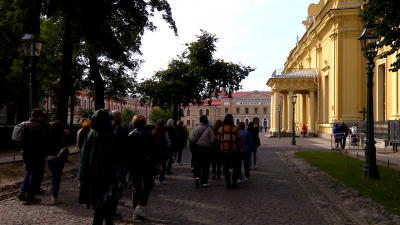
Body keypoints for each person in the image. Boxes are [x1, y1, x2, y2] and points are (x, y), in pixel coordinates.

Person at [79, 109, 124, 225]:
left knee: (99, 211)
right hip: (107, 178)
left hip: (93, 177)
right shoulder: (109, 135)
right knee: (108, 211)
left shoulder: (91, 133)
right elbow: (115, 159)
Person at [127, 114, 161, 220]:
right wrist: (158, 163)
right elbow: (153, 150)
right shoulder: (147, 134)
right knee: (148, 184)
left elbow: (127, 152)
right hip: (145, 164)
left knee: (136, 188)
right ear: (144, 122)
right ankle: (140, 207)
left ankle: (135, 212)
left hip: (133, 165)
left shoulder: (131, 134)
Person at [17, 108, 46, 204]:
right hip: (36, 153)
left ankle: (22, 190)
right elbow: (43, 142)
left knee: (28, 171)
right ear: (39, 116)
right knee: (34, 173)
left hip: (24, 151)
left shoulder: (24, 124)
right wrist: (45, 154)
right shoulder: (39, 126)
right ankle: (30, 196)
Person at [216, 114, 242, 189]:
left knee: (226, 167)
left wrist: (220, 148)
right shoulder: (235, 129)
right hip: (234, 151)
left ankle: (228, 183)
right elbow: (239, 141)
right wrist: (240, 151)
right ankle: (234, 182)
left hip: (224, 151)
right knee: (235, 167)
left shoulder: (221, 129)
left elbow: (217, 141)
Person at [111, 110, 129, 219]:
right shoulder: (122, 129)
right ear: (119, 118)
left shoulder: (107, 129)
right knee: (118, 181)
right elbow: (126, 146)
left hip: (110, 161)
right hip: (119, 160)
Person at [189, 115, 215, 187]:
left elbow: (192, 138)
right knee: (206, 165)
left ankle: (197, 176)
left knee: (197, 163)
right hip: (207, 148)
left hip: (197, 147)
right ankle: (204, 181)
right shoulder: (209, 129)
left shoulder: (195, 128)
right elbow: (213, 140)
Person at [47, 121, 67, 205]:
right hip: (58, 158)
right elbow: (64, 147)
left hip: (49, 158)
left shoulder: (48, 136)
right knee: (57, 178)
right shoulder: (61, 136)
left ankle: (54, 194)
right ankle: (54, 196)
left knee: (54, 177)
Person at [151, 119, 171, 185]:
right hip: (163, 153)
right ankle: (161, 180)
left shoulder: (152, 132)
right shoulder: (165, 133)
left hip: (153, 152)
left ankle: (152, 179)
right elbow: (168, 144)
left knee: (153, 166)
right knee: (163, 166)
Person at [36, 111, 50, 194]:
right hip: (40, 151)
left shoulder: (27, 124)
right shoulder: (45, 126)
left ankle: (24, 189)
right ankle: (35, 188)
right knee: (39, 171)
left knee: (29, 171)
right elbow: (46, 140)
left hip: (27, 151)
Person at [76, 119, 91, 187]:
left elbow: (77, 141)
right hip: (88, 150)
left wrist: (78, 149)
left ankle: (80, 181)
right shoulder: (91, 130)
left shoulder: (80, 131)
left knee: (81, 166)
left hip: (80, 150)